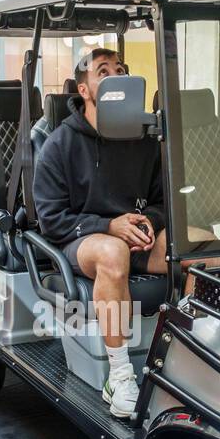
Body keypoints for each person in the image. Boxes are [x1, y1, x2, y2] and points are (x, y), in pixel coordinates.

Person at [33, 48, 165, 418]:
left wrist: (148, 222)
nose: (114, 75)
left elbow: (161, 201)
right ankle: (119, 376)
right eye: (103, 71)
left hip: (132, 234)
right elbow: (51, 218)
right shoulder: (60, 142)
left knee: (193, 245)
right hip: (82, 239)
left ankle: (183, 360)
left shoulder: (144, 140)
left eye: (120, 69)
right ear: (85, 89)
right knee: (113, 253)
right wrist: (109, 226)